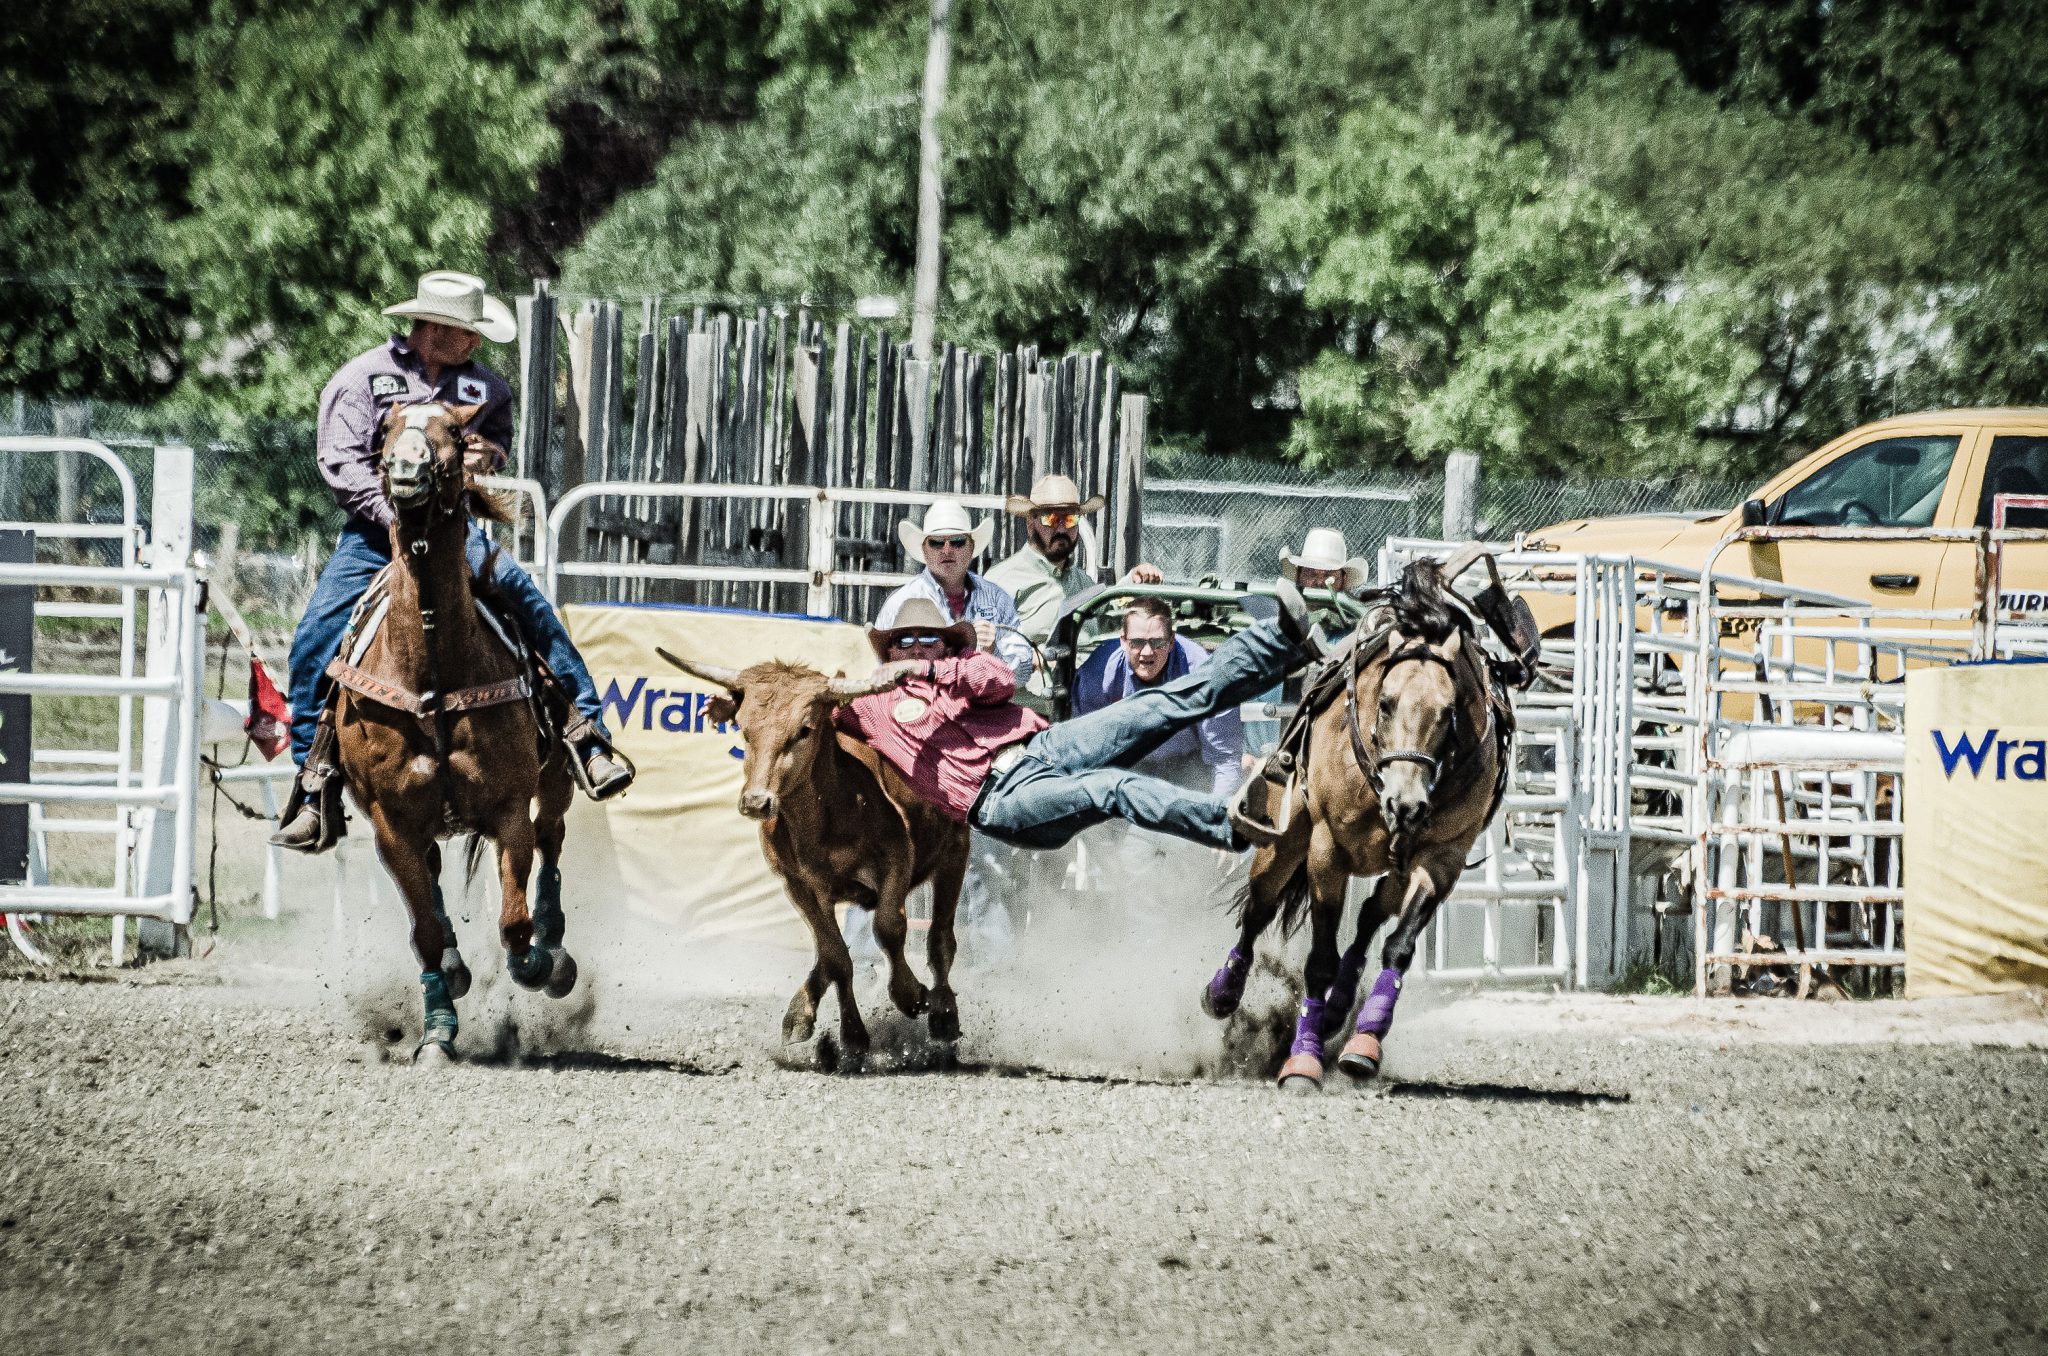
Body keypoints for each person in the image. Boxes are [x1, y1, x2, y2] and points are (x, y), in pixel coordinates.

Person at [271, 271, 631, 852]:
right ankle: (315, 783)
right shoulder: (361, 379)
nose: (477, 342)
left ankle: (585, 734)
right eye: (467, 331)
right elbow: (341, 462)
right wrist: (395, 521)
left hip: (452, 532)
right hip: (374, 534)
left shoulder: (485, 388)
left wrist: (484, 455)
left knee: (527, 601)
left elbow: (495, 445)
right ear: (433, 328)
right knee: (316, 635)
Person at [836, 579, 1326, 855]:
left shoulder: (960, 667)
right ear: (889, 649)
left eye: (928, 638)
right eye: (906, 641)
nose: (917, 647)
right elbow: (804, 703)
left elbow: (1000, 681)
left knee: (1157, 705)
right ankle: (1231, 827)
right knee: (1113, 788)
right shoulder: (868, 706)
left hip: (1039, 748)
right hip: (999, 798)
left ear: (944, 642)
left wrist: (931, 668)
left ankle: (1283, 644)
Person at [984, 472, 1162, 665]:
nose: (1061, 529)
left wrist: (1133, 583)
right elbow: (981, 651)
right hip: (1032, 691)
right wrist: (1028, 659)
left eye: (1069, 519)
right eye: (1051, 519)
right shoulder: (1001, 581)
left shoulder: (1082, 582)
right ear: (1030, 523)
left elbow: (1110, 619)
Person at [1071, 597, 1243, 797]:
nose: (1147, 652)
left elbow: (1224, 759)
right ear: (1123, 641)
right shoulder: (1097, 674)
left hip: (1188, 767)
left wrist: (1215, 816)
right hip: (1123, 770)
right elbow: (1084, 753)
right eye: (1136, 642)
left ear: (1171, 641)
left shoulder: (1206, 675)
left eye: (1158, 642)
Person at [874, 499, 1034, 685]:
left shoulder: (998, 599)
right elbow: (878, 668)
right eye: (936, 543)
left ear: (971, 547)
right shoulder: (900, 601)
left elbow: (1022, 674)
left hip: (981, 707)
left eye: (957, 542)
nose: (947, 550)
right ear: (924, 550)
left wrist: (994, 652)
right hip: (918, 705)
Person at [1280, 527, 1371, 597]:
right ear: (1298, 576)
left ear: (1344, 579)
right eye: (1311, 574)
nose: (1319, 582)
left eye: (1329, 575)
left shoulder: (1357, 620)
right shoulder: (1279, 619)